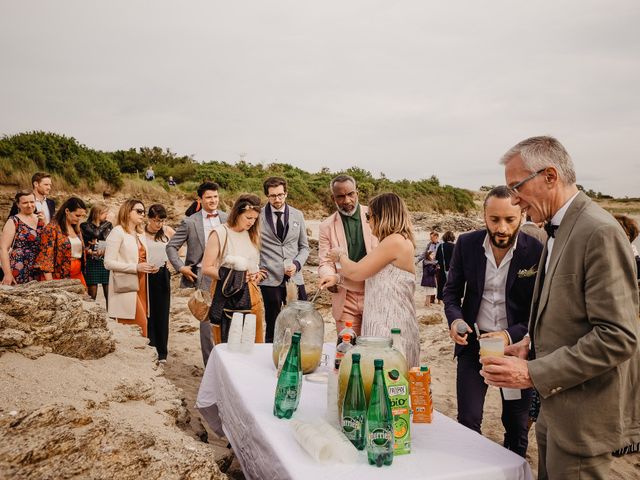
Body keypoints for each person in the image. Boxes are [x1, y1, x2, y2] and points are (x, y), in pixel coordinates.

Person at [482, 136, 639, 479]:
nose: (515, 200)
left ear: (550, 176)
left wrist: (532, 373)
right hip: (554, 412)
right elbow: (567, 312)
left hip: (582, 419)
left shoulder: (597, 232)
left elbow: (619, 336)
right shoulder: (556, 229)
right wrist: (528, 345)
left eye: (517, 186)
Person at [443, 186, 543, 457]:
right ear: (484, 215)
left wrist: (510, 336)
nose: (502, 228)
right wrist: (455, 321)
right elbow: (451, 293)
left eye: (509, 220)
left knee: (516, 425)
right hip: (473, 344)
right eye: (494, 219)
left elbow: (539, 310)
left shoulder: (536, 250)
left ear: (521, 215)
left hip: (516, 350)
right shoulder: (466, 244)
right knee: (468, 421)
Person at [324, 192, 420, 367]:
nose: (367, 221)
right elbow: (365, 282)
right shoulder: (392, 242)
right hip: (381, 323)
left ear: (383, 216)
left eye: (369, 216)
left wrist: (340, 256)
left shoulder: (395, 241)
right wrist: (337, 279)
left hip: (391, 326)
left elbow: (356, 272)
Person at [166, 181, 228, 365]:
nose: (213, 200)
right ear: (200, 199)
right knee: (207, 321)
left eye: (216, 196)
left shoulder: (228, 218)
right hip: (203, 275)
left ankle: (226, 363)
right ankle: (210, 366)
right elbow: (171, 246)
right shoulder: (189, 221)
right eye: (209, 197)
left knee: (226, 318)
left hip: (227, 274)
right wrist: (180, 267)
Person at [317, 175, 378, 337]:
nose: (347, 200)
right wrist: (328, 276)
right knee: (346, 350)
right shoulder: (325, 226)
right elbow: (325, 261)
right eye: (341, 196)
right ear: (333, 198)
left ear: (357, 193)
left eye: (350, 194)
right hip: (345, 297)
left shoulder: (375, 216)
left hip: (374, 293)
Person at [202, 194, 265, 344]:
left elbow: (253, 265)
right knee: (227, 343)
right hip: (226, 295)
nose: (252, 222)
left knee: (254, 343)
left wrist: (258, 275)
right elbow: (206, 268)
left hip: (252, 293)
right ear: (237, 212)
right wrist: (236, 277)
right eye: (248, 217)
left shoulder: (252, 234)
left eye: (255, 218)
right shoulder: (219, 233)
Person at [258, 177, 310, 342]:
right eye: (273, 196)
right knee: (272, 324)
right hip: (269, 279)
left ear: (286, 193)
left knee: (301, 322)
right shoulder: (257, 216)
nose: (277, 199)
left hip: (295, 278)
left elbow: (304, 247)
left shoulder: (298, 215)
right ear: (267, 195)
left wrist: (296, 264)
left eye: (280, 195)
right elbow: (252, 246)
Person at [104, 200, 158, 337]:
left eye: (143, 211)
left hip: (142, 282)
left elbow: (142, 257)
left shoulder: (140, 233)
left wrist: (150, 267)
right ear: (127, 212)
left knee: (142, 323)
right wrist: (135, 267)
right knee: (139, 324)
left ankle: (143, 356)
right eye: (139, 211)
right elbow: (108, 263)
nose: (143, 214)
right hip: (126, 284)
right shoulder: (117, 232)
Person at [145, 204, 176, 363]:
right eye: (156, 221)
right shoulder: (140, 232)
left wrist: (172, 264)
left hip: (162, 274)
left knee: (162, 312)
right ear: (149, 218)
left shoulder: (168, 231)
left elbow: (179, 248)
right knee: (147, 312)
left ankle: (162, 352)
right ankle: (150, 346)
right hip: (145, 274)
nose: (159, 224)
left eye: (162, 221)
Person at [36, 197, 88, 287]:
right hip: (59, 277)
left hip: (78, 275)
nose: (79, 219)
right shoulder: (51, 228)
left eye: (82, 216)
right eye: (77, 215)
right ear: (67, 211)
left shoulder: (76, 228)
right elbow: (46, 258)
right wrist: (51, 284)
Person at [1, 192, 44, 284]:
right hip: (19, 266)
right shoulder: (13, 221)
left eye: (32, 202)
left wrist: (46, 222)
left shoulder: (41, 219)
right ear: (18, 204)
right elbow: (3, 248)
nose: (29, 205)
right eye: (25, 203)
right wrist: (7, 274)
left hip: (39, 267)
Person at [81, 203, 113, 305]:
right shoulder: (85, 225)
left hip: (104, 260)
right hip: (91, 261)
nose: (107, 216)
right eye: (104, 213)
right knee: (92, 293)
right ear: (97, 214)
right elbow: (96, 234)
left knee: (109, 293)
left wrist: (100, 246)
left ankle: (111, 317)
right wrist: (90, 249)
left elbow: (107, 240)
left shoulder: (108, 225)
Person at [435, 230, 456, 302]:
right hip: (453, 270)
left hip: (442, 269)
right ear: (452, 237)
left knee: (441, 284)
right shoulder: (455, 246)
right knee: (452, 285)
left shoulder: (441, 246)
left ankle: (439, 299)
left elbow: (437, 257)